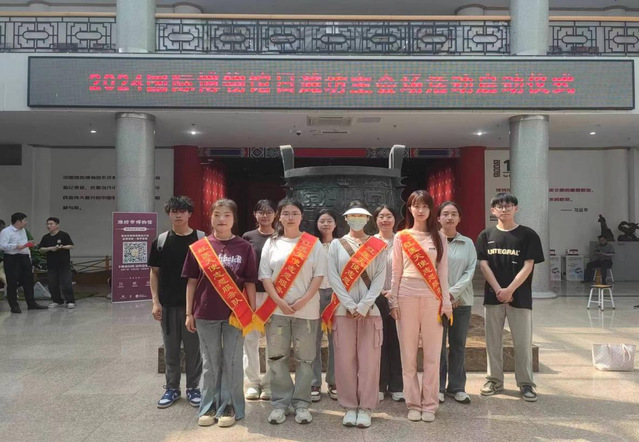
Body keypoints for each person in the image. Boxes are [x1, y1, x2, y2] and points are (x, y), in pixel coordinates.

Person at [183, 199, 258, 428]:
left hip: (235, 313)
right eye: (217, 214)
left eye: (226, 215)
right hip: (205, 313)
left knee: (232, 361)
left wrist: (252, 312)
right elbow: (191, 282)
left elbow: (250, 282)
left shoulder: (244, 247)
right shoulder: (199, 247)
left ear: (234, 219)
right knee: (210, 362)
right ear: (211, 217)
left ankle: (230, 405)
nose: (221, 219)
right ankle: (209, 405)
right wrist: (189, 313)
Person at [258, 199, 326, 425]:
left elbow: (319, 275)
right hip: (277, 310)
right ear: (279, 216)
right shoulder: (272, 243)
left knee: (305, 359)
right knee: (277, 357)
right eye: (285, 213)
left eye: (294, 213)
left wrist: (302, 301)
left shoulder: (313, 243)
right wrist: (279, 300)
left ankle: (302, 403)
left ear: (301, 216)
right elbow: (265, 275)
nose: (290, 217)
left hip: (306, 310)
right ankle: (280, 403)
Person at [476, 192, 544, 403]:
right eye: (499, 206)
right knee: (492, 341)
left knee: (522, 342)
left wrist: (510, 290)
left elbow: (528, 265)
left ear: (516, 208)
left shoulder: (528, 235)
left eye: (508, 205)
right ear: (493, 210)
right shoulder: (486, 235)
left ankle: (526, 383)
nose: (504, 209)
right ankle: (494, 380)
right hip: (493, 296)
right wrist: (499, 289)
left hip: (520, 297)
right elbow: (484, 265)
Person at [389, 190, 451, 423]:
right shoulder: (401, 237)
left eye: (425, 206)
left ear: (431, 209)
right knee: (408, 355)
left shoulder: (439, 237)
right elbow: (396, 271)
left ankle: (430, 404)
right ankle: (413, 403)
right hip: (406, 297)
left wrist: (446, 302)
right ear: (410, 209)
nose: (421, 210)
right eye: (416, 206)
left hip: (432, 298)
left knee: (433, 356)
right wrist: (393, 300)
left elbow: (443, 273)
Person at [325, 201, 386, 428]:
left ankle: (366, 407)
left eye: (361, 216)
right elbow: (333, 277)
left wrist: (364, 305)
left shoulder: (378, 245)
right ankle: (349, 406)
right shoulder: (336, 245)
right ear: (346, 219)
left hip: (370, 312)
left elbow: (379, 278)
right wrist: (350, 305)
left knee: (370, 362)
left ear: (368, 220)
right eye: (353, 216)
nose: (357, 220)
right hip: (343, 312)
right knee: (344, 361)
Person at [147, 197, 203, 409]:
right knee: (171, 349)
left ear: (190, 214)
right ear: (168, 214)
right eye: (174, 211)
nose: (178, 215)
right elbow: (154, 273)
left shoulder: (201, 240)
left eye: (182, 211)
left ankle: (193, 388)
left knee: (193, 350)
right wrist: (155, 302)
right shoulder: (161, 242)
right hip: (168, 305)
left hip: (195, 307)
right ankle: (172, 388)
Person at [437, 202, 476, 405]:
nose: (449, 217)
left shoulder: (467, 243)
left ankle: (457, 387)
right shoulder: (431, 241)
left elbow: (470, 271)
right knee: (437, 346)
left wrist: (452, 294)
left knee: (458, 345)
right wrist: (443, 296)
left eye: (454, 214)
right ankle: (437, 388)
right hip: (436, 302)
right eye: (445, 214)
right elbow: (428, 272)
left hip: (461, 301)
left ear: (459, 218)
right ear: (438, 218)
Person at [242, 199, 276, 401]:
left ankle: (269, 383)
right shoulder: (248, 237)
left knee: (274, 340)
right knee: (251, 339)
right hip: (252, 293)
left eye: (269, 211)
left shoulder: (280, 237)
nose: (265, 215)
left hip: (274, 296)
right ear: (255, 214)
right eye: (261, 212)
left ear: (275, 215)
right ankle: (253, 383)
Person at [374, 205, 404, 403]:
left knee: (396, 341)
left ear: (395, 219)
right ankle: (379, 384)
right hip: (375, 298)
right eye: (381, 216)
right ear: (376, 220)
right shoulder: (369, 242)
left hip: (398, 297)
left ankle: (397, 386)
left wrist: (394, 292)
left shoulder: (402, 241)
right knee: (378, 343)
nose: (385, 220)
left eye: (389, 216)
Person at [311, 208, 339, 402]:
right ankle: (314, 382)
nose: (326, 224)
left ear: (335, 224)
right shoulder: (311, 245)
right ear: (317, 224)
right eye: (322, 221)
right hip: (314, 295)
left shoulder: (342, 245)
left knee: (335, 340)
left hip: (336, 296)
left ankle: (334, 381)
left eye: (329, 220)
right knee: (313, 339)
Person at [0, 212, 47, 313]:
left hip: (24, 257)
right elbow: (2, 246)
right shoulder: (6, 231)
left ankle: (31, 303)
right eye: (25, 220)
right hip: (12, 258)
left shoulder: (23, 230)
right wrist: (16, 246)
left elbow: (25, 246)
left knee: (28, 281)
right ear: (18, 221)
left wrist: (28, 254)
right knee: (12, 282)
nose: (26, 222)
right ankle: (14, 306)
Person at [38, 217, 76, 309]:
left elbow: (71, 246)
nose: (49, 226)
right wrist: (50, 248)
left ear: (57, 225)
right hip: (51, 264)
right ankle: (57, 301)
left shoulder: (64, 235)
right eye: (47, 224)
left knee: (66, 283)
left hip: (64, 264)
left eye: (51, 224)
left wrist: (62, 247)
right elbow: (41, 249)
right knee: (52, 284)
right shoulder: (45, 237)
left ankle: (70, 301)